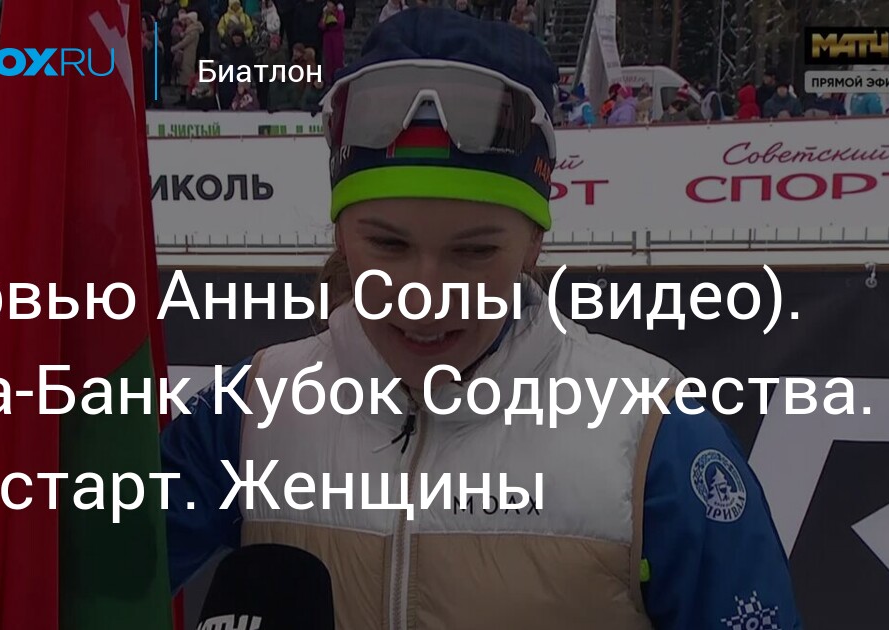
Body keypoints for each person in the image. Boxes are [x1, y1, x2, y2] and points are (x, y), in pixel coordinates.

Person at [161, 9, 802, 630]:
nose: (424, 297)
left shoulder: (653, 435)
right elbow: (105, 578)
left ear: (533, 244)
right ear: (341, 235)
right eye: (387, 245)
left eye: (472, 253)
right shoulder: (246, 414)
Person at [172, 12, 203, 103]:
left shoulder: (193, 32)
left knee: (187, 77)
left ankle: (187, 98)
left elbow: (184, 42)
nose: (186, 21)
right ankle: (183, 97)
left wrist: (174, 48)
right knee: (184, 76)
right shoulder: (189, 30)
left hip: (189, 56)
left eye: (188, 19)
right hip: (186, 55)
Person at [319, 0, 344, 85]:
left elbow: (340, 23)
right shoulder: (325, 13)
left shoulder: (340, 13)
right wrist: (325, 17)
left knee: (337, 58)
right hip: (327, 38)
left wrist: (332, 23)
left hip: (337, 38)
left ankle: (339, 78)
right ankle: (329, 79)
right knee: (328, 59)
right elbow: (321, 25)